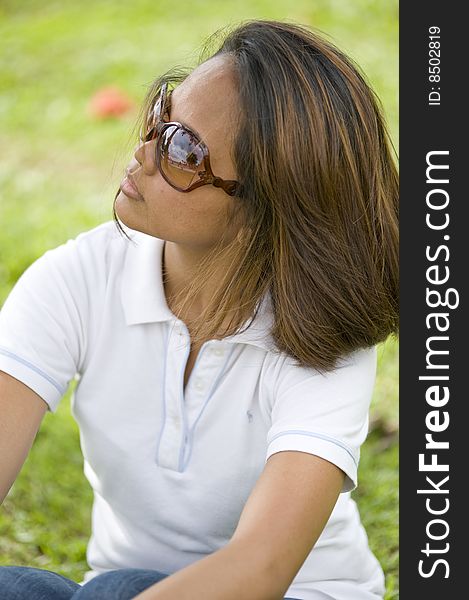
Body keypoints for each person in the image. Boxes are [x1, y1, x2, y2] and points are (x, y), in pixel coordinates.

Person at [0, 18, 398, 600]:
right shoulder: (79, 278)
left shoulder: (322, 336)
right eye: (162, 115)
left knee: (117, 589)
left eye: (183, 150)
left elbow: (260, 570)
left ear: (265, 211)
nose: (141, 152)